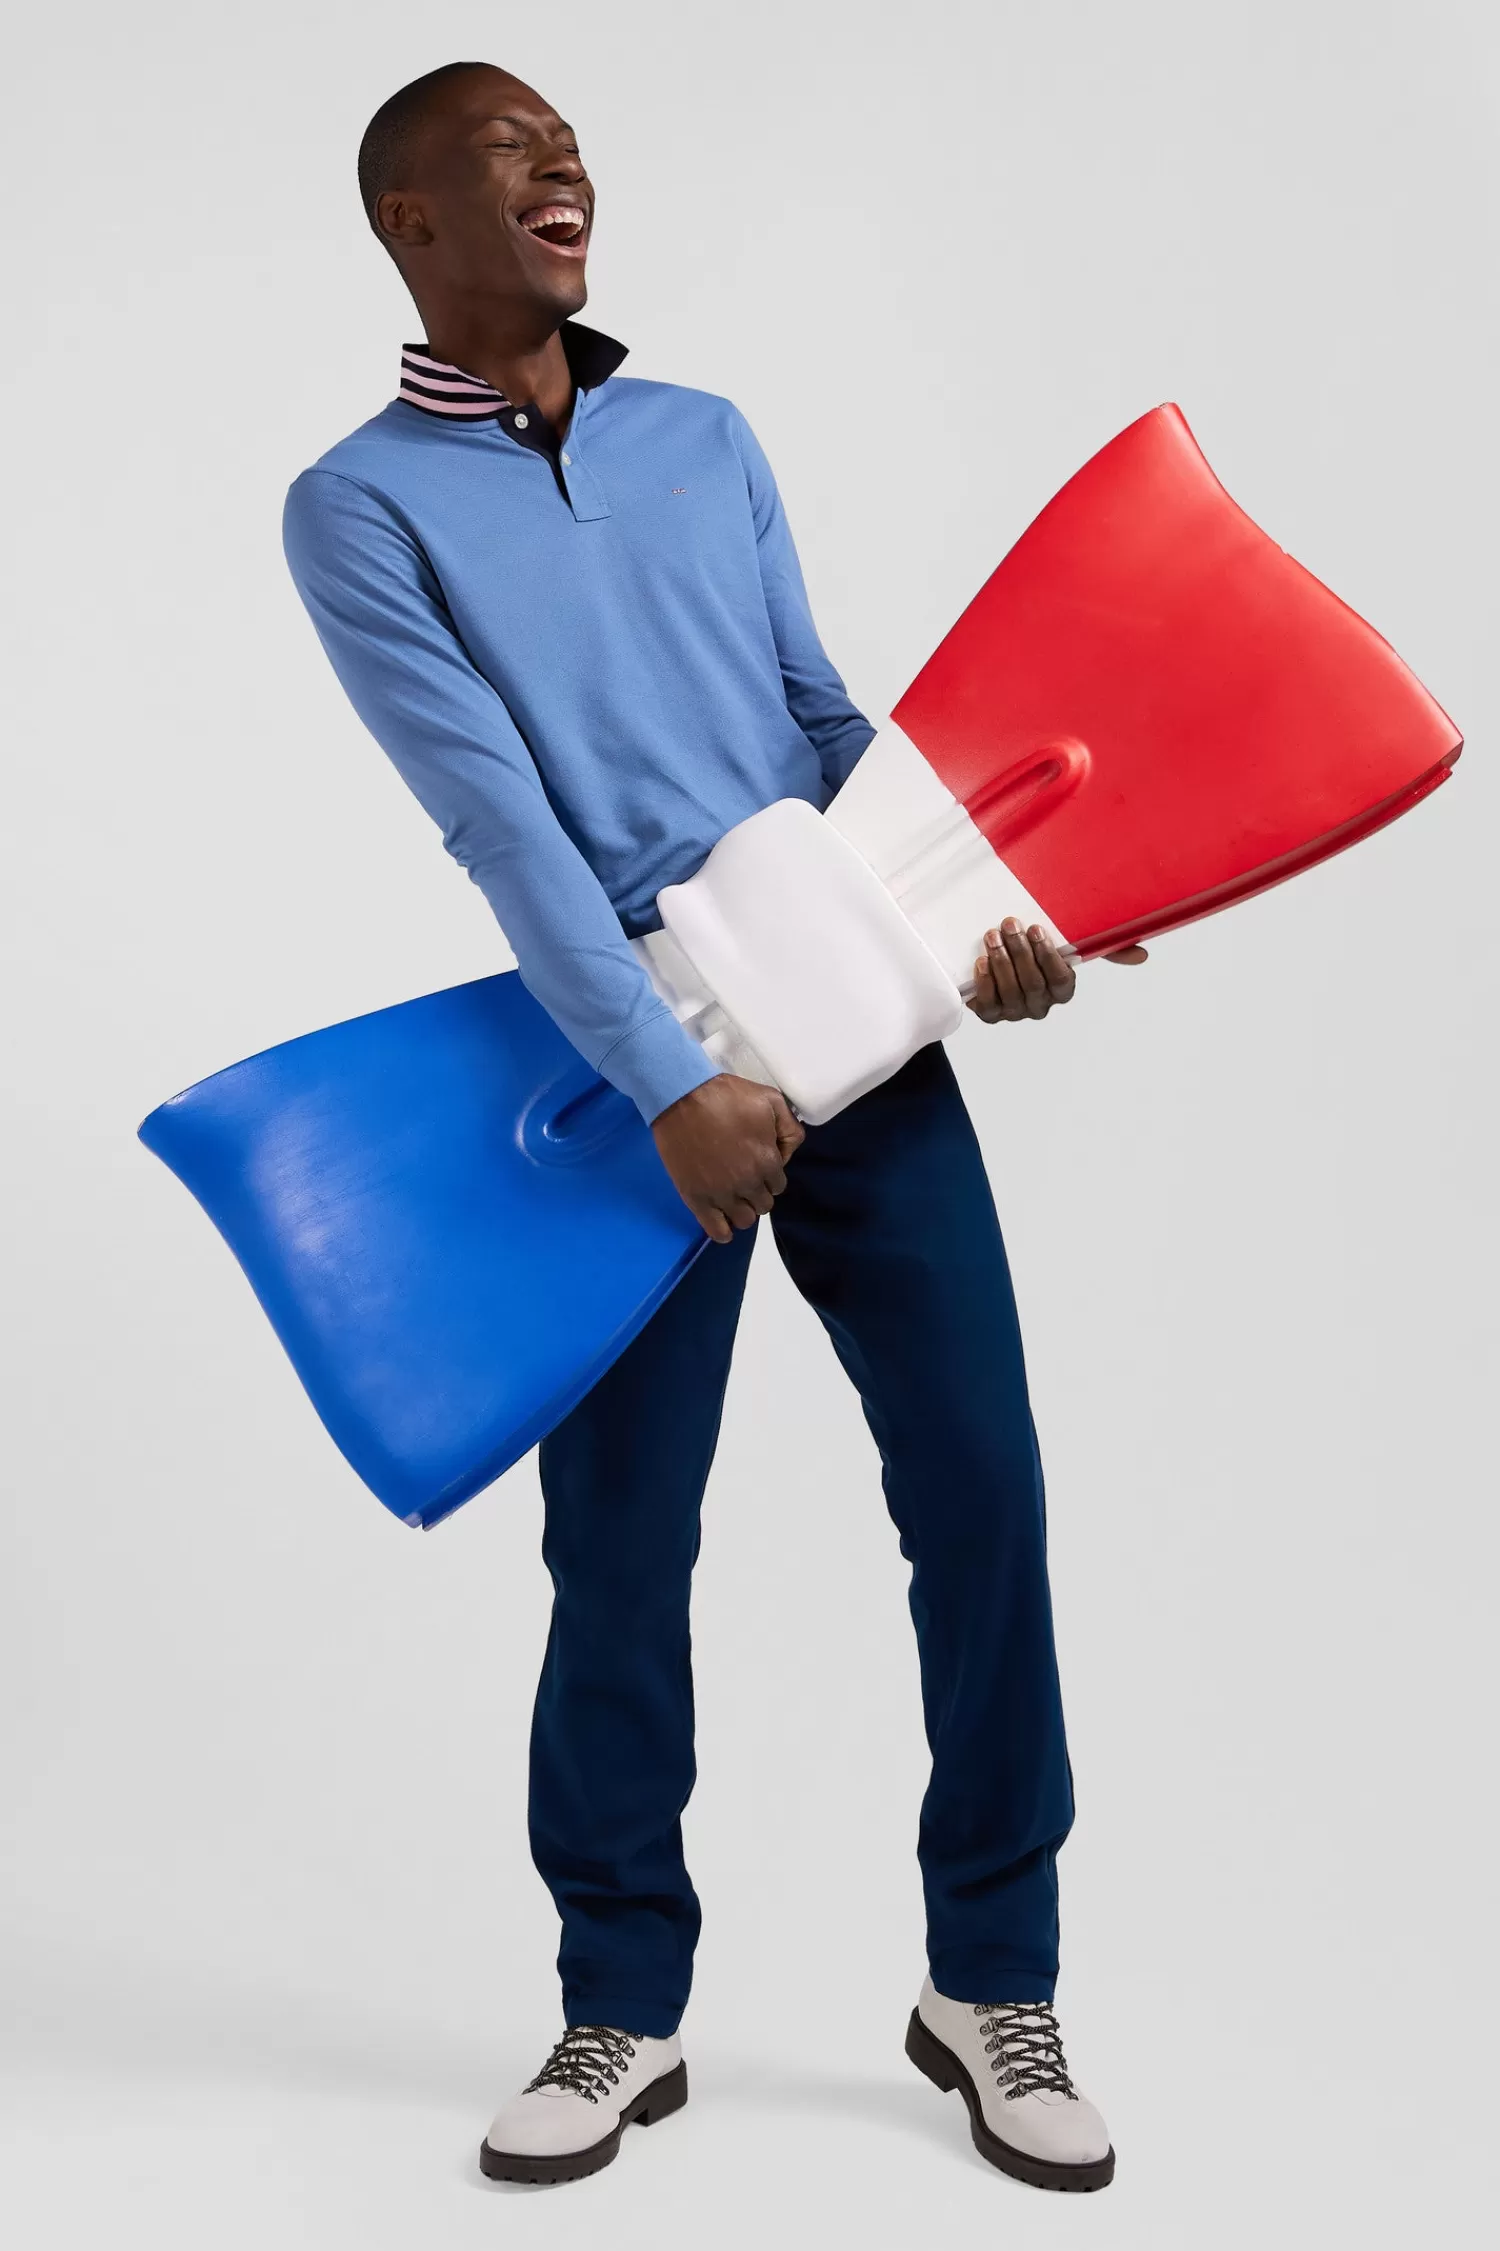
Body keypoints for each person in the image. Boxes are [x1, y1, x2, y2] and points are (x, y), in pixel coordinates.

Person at [283, 59, 1146, 2192]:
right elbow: (504, 830)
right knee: (623, 1552)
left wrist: (999, 917)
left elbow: (825, 728)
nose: (564, 172)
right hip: (629, 1079)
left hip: (861, 1019)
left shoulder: (705, 439)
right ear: (409, 219)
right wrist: (677, 1094)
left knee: (986, 1491)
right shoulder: (361, 505)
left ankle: (991, 1981)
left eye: (571, 146)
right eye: (510, 155)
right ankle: (617, 2008)